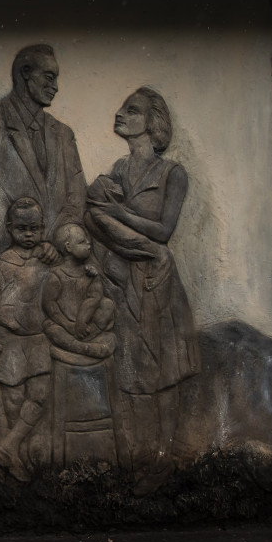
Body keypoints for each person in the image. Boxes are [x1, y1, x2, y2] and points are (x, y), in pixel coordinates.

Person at [84, 87, 200, 495]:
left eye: (130, 110)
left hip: (157, 284)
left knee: (164, 375)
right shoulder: (117, 169)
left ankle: (164, 462)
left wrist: (118, 213)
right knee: (130, 374)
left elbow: (165, 231)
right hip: (121, 280)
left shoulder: (172, 174)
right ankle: (135, 459)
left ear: (151, 123)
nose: (119, 114)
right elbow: (96, 219)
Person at [0, 44, 87, 290]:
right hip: (3, 268)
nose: (55, 87)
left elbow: (76, 199)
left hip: (55, 270)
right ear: (25, 73)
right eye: (49, 77)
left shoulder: (63, 135)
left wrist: (57, 246)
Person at [0, 198, 52, 482]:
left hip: (38, 340)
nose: (29, 234)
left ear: (42, 228)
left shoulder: (48, 256)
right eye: (22, 228)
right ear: (10, 229)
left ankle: (9, 446)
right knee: (12, 398)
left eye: (34, 228)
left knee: (40, 395)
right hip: (9, 338)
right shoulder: (4, 262)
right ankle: (15, 456)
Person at [41, 223, 116, 361]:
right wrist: (68, 325)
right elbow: (50, 305)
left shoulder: (89, 272)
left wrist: (82, 321)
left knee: (108, 304)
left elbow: (96, 296)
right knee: (51, 328)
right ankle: (82, 347)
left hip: (86, 325)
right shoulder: (56, 275)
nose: (88, 244)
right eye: (82, 242)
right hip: (64, 325)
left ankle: (88, 337)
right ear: (68, 247)